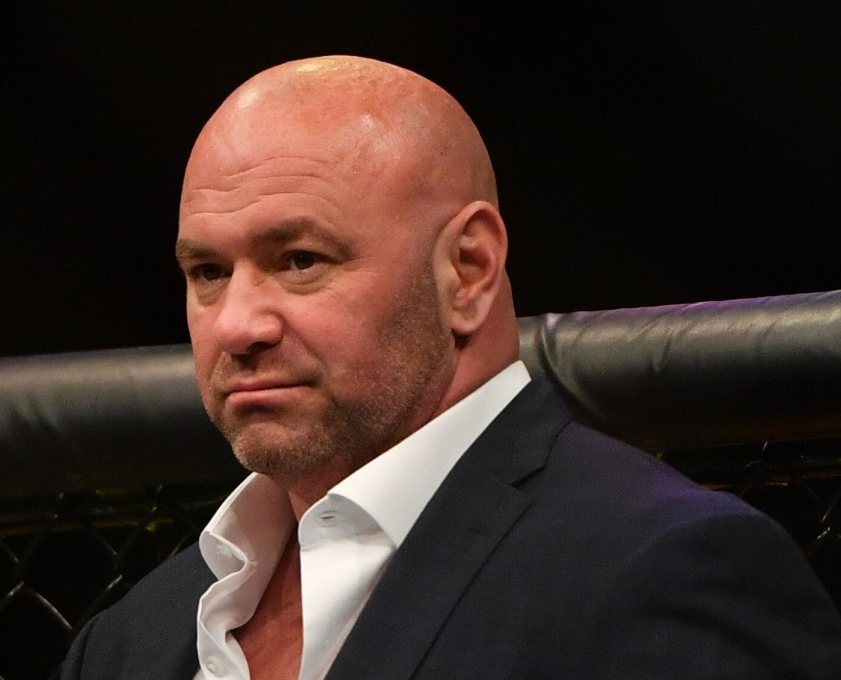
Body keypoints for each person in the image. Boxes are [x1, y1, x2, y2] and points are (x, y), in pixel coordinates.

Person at [62, 55, 841, 679]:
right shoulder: (131, 640)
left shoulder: (658, 569)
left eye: (300, 259)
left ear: (467, 270)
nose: (237, 325)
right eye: (206, 272)